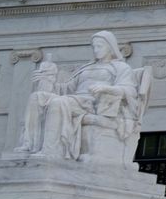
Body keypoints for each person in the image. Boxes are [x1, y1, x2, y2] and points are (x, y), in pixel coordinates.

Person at [15, 30, 147, 161]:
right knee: (37, 97)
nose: (96, 50)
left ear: (110, 47)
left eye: (99, 46)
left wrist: (107, 88)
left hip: (95, 104)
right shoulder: (87, 67)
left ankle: (51, 150)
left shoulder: (120, 67)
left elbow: (129, 90)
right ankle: (29, 144)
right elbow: (66, 89)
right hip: (76, 99)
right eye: (94, 47)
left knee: (59, 103)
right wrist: (48, 81)